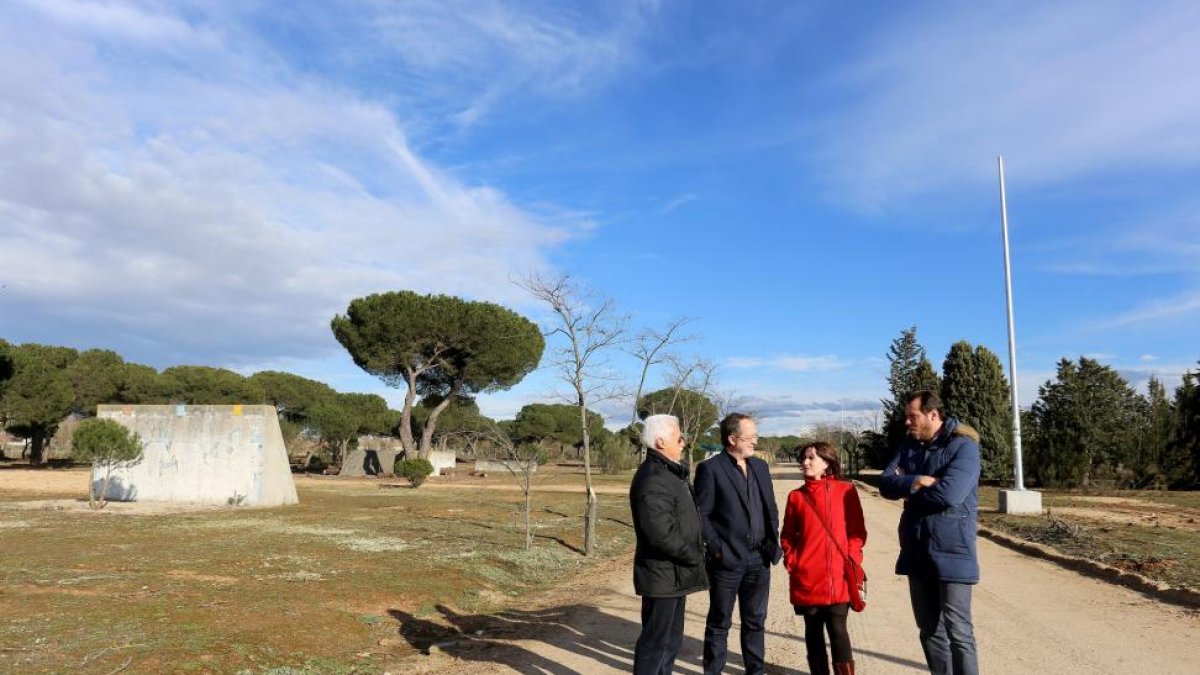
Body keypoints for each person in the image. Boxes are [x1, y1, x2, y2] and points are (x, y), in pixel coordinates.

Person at [879, 390, 981, 675]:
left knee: (959, 630)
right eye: (906, 417)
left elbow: (950, 494)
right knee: (928, 629)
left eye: (913, 416)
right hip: (916, 549)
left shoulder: (964, 447)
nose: (907, 422)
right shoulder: (908, 446)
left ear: (933, 415)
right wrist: (918, 481)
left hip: (953, 551)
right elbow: (886, 484)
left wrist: (911, 494)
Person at [693, 412, 782, 675]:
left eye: (755, 436)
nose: (755, 441)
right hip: (727, 561)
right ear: (732, 439)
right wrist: (718, 550)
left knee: (755, 621)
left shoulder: (761, 467)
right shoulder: (710, 469)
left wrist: (771, 540)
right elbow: (702, 515)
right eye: (750, 436)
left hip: (759, 559)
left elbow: (771, 509)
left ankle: (755, 671)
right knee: (720, 622)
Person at [630, 414, 708, 675]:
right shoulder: (653, 477)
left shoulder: (670, 472)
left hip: (673, 576)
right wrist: (695, 556)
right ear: (661, 441)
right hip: (662, 575)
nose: (683, 442)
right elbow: (660, 534)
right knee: (655, 645)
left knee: (670, 642)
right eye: (679, 437)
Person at [780, 442, 867, 675]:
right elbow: (787, 535)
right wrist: (793, 561)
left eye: (811, 458)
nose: (805, 462)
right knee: (813, 632)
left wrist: (851, 558)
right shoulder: (796, 497)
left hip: (839, 576)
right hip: (807, 576)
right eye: (804, 458)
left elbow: (858, 531)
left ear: (826, 463)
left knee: (838, 629)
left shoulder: (845, 490)